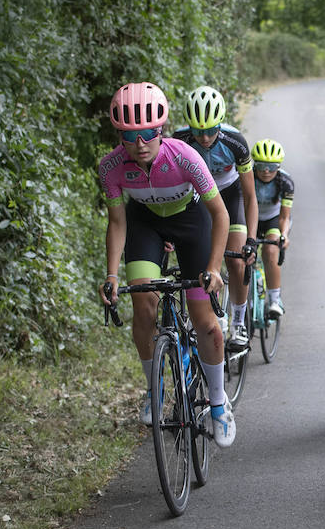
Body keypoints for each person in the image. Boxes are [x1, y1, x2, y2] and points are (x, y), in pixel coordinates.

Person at [97, 81, 237, 446]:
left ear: (160, 129)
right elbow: (117, 223)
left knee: (206, 324)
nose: (139, 143)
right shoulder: (111, 167)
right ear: (119, 135)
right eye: (129, 135)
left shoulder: (185, 157)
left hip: (192, 223)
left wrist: (214, 267)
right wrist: (112, 274)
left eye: (147, 133)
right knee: (143, 304)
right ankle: (154, 388)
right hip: (145, 223)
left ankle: (220, 403)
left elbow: (220, 215)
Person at [174, 85, 258, 351]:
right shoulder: (179, 141)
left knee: (236, 261)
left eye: (211, 130)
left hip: (230, 195)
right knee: (201, 264)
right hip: (198, 198)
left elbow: (250, 196)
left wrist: (252, 239)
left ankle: (239, 323)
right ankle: (212, 316)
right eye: (199, 132)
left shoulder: (235, 142)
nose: (206, 137)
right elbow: (173, 190)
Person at [250, 138, 294, 319]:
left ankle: (275, 299)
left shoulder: (286, 182)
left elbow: (284, 216)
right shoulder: (246, 177)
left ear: (279, 166)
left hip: (273, 219)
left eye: (272, 166)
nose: (266, 171)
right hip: (249, 218)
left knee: (270, 250)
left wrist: (283, 235)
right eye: (261, 166)